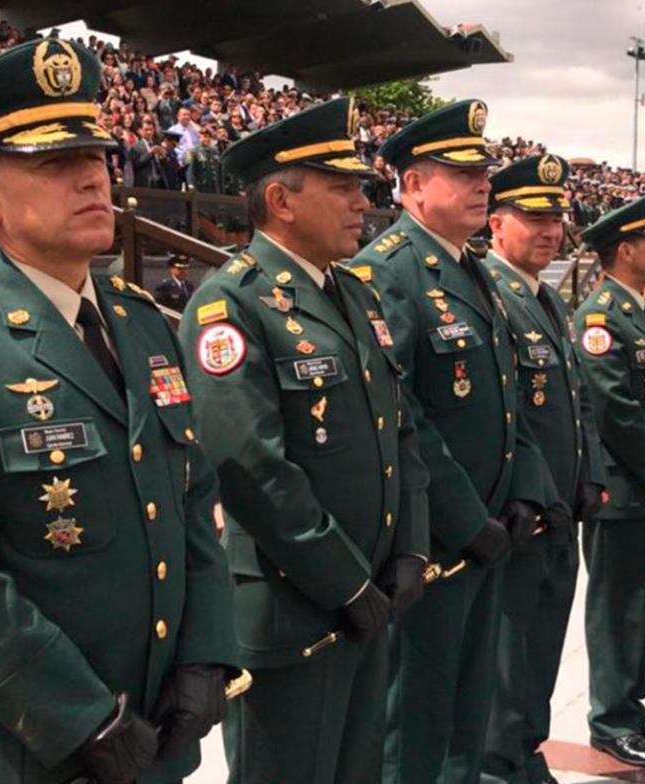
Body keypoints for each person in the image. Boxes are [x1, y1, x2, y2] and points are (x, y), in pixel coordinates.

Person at [0, 37, 240, 784]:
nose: (94, 179)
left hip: (153, 728)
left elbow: (191, 496)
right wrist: (80, 717)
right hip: (20, 746)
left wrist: (207, 651)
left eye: (96, 159)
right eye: (56, 164)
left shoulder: (140, 321)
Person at [179, 97, 429, 784]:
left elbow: (397, 429)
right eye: (342, 188)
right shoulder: (233, 302)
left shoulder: (353, 295)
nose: (362, 203)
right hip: (295, 612)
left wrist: (410, 545)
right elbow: (250, 466)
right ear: (283, 201)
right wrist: (345, 583)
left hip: (369, 596)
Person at [353, 99, 548, 783]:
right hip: (435, 538)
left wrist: (523, 487)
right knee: (415, 722)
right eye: (457, 172)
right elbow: (401, 413)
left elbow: (507, 395)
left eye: (481, 172)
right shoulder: (390, 272)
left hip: (487, 529)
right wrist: (470, 519)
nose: (480, 185)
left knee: (468, 710)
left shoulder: (466, 266)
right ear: (410, 186)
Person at [480, 154, 603, 784]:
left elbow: (573, 401)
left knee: (540, 650)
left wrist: (588, 475)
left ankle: (525, 752)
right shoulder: (488, 294)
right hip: (521, 513)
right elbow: (504, 419)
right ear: (496, 223)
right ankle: (500, 766)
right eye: (533, 217)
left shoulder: (546, 299)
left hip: (560, 512)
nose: (550, 231)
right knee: (507, 655)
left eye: (556, 218)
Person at [573, 192, 645, 768]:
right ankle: (608, 716)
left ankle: (632, 704)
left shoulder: (640, 308)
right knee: (618, 608)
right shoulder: (599, 318)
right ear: (626, 250)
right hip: (624, 488)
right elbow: (613, 406)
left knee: (644, 604)